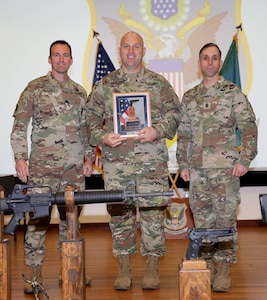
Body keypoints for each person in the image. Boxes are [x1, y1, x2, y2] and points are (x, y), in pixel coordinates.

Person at [87, 31, 180, 290]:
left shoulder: (158, 83)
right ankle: (125, 268)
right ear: (120, 50)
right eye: (126, 46)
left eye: (135, 46)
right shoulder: (105, 85)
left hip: (151, 164)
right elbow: (90, 119)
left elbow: (175, 114)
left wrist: (157, 130)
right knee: (120, 216)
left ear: (143, 50)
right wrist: (102, 136)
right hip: (118, 164)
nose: (131, 51)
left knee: (152, 215)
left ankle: (151, 267)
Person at [10, 40, 93, 294]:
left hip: (73, 171)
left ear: (71, 60)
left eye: (65, 55)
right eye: (56, 55)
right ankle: (33, 274)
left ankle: (68, 269)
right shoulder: (34, 89)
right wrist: (21, 157)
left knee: (71, 222)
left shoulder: (80, 93)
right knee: (37, 222)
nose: (60, 59)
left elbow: (87, 129)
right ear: (49, 60)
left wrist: (89, 157)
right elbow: (19, 127)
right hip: (42, 170)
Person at [177, 42, 258, 292]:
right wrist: (182, 163)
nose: (209, 62)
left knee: (225, 220)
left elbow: (249, 127)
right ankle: (208, 264)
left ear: (220, 63)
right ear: (199, 63)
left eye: (214, 58)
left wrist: (245, 160)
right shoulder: (189, 98)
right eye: (205, 58)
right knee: (202, 221)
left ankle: (224, 268)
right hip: (198, 172)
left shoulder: (232, 93)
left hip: (226, 171)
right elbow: (184, 134)